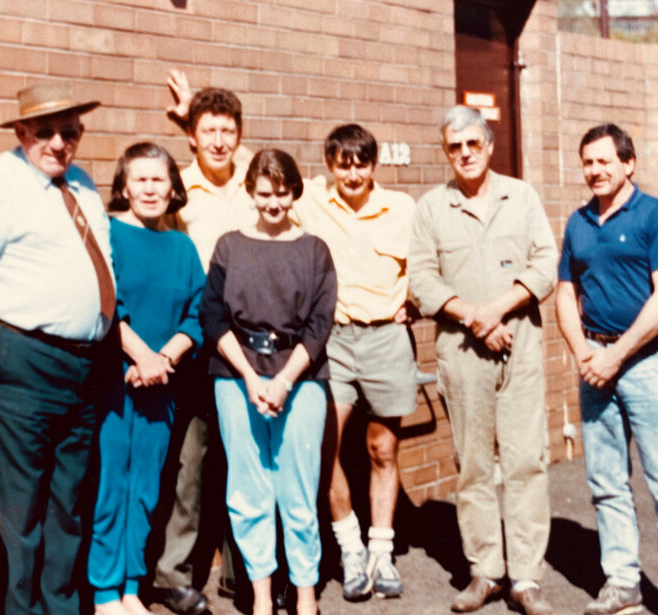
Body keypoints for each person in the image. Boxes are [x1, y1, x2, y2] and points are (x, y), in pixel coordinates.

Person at [0, 82, 114, 615]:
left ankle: (61, 608)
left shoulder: (82, 184)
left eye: (69, 133)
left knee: (68, 504)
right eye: (46, 132)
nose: (59, 143)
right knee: (22, 511)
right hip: (26, 363)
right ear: (21, 132)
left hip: (84, 368)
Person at [408, 105, 557, 615]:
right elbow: (422, 281)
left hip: (520, 347)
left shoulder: (523, 196)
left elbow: (546, 265)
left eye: (474, 143)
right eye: (455, 146)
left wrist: (494, 313)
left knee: (524, 461)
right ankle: (485, 571)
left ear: (489, 145)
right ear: (446, 151)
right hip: (462, 353)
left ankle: (526, 577)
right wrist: (474, 320)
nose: (466, 154)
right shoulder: (431, 207)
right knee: (472, 465)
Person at [556, 123, 658, 615]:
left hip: (645, 366)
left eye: (604, 161)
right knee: (606, 483)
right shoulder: (577, 223)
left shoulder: (656, 217)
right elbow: (564, 295)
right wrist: (583, 353)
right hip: (594, 364)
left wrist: (615, 357)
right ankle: (622, 582)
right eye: (588, 162)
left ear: (628, 163)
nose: (594, 171)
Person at [200, 149, 337, 615]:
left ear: (294, 190)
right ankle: (260, 595)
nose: (273, 203)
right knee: (248, 488)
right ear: (251, 192)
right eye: (263, 193)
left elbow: (321, 323)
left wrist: (282, 382)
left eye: (281, 193)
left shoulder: (315, 250)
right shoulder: (228, 246)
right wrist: (248, 377)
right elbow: (212, 315)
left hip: (300, 373)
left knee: (299, 488)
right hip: (237, 372)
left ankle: (304, 594)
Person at [291, 123, 417, 601]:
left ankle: (380, 552)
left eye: (361, 162)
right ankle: (349, 547)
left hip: (387, 336)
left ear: (373, 164)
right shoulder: (310, 203)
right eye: (343, 162)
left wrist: (417, 302)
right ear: (330, 163)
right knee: (326, 445)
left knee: (382, 448)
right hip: (333, 341)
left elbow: (424, 265)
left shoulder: (401, 208)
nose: (352, 172)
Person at [152, 74, 257, 615]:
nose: (218, 140)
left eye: (227, 130)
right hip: (197, 344)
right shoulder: (179, 187)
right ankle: (174, 575)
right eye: (208, 130)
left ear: (240, 135)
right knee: (190, 463)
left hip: (250, 346)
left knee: (245, 458)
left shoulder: (256, 184)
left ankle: (246, 573)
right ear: (192, 136)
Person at [88, 143, 205, 615]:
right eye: (140, 179)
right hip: (117, 382)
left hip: (162, 384)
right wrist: (140, 356)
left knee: (147, 488)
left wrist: (163, 360)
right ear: (123, 186)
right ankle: (103, 591)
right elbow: (104, 302)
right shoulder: (108, 235)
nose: (151, 189)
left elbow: (197, 314)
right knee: (111, 483)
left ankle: (132, 587)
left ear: (174, 187)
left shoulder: (182, 246)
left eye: (159, 180)